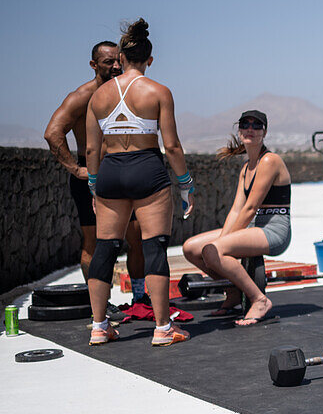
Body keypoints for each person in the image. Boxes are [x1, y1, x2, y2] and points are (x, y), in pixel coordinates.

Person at [85, 19, 193, 346]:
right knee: (154, 247)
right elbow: (171, 146)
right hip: (148, 168)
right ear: (149, 59)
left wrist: (94, 185)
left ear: (120, 59)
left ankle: (99, 327)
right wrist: (186, 185)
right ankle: (162, 329)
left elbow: (92, 148)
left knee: (105, 249)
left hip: (111, 172)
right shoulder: (158, 91)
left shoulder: (98, 96)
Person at [44, 42, 146, 300]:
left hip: (124, 172)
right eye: (107, 62)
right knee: (95, 241)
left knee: (137, 237)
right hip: (92, 177)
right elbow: (53, 133)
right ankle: (100, 304)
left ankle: (139, 297)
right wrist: (75, 169)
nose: (114, 66)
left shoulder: (126, 91)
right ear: (93, 65)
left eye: (117, 61)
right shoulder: (82, 96)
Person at [182, 110, 291, 325]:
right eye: (245, 124)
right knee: (191, 248)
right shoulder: (245, 169)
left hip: (274, 230)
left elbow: (250, 208)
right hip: (253, 227)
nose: (250, 128)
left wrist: (219, 245)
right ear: (239, 130)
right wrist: (221, 241)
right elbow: (235, 210)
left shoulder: (269, 161)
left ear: (264, 132)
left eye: (256, 125)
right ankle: (232, 291)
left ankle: (259, 300)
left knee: (214, 250)